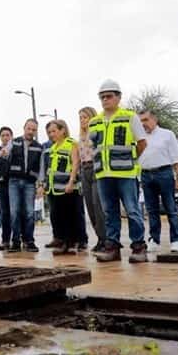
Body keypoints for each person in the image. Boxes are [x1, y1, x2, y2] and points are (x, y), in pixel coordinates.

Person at [90, 80, 149, 263]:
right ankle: (112, 247)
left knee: (132, 210)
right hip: (103, 174)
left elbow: (142, 143)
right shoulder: (94, 122)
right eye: (102, 97)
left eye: (109, 96)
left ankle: (138, 246)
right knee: (109, 212)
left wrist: (131, 161)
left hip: (125, 173)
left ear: (118, 97)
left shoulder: (130, 117)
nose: (105, 100)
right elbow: (94, 147)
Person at [138, 110, 178, 253]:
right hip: (145, 174)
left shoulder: (167, 134)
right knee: (151, 210)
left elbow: (177, 157)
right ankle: (154, 239)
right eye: (140, 121)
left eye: (145, 120)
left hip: (164, 173)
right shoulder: (138, 137)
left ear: (154, 119)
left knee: (171, 208)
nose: (143, 124)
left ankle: (176, 240)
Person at [45, 120, 84, 255]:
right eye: (49, 132)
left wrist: (71, 182)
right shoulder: (53, 147)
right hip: (54, 188)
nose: (51, 134)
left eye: (54, 131)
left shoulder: (71, 144)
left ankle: (73, 243)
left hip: (68, 187)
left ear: (63, 130)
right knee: (58, 216)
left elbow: (75, 164)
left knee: (71, 216)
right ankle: (62, 242)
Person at [7, 119, 43, 253]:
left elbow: (41, 167)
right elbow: (5, 153)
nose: (31, 132)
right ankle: (15, 241)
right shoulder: (14, 142)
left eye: (34, 129)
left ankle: (29, 241)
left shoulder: (39, 147)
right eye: (29, 128)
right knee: (14, 212)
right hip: (14, 181)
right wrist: (4, 153)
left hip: (29, 182)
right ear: (24, 128)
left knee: (29, 212)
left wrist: (41, 184)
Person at [77, 107, 107, 252]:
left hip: (96, 168)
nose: (82, 120)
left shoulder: (96, 133)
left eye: (85, 117)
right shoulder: (80, 137)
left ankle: (105, 239)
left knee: (98, 205)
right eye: (80, 118)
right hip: (84, 170)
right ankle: (100, 238)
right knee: (89, 206)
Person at [0, 127, 13, 250]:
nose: (5, 137)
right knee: (5, 213)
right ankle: (5, 240)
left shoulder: (16, 149)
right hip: (2, 184)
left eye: (7, 135)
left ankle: (19, 239)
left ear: (12, 136)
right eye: (3, 135)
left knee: (16, 212)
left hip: (15, 184)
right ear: (0, 137)